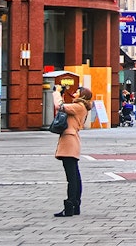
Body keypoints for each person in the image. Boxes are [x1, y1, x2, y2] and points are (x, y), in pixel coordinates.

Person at [52, 85, 92, 217]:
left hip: (69, 142)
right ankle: (75, 205)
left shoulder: (79, 106)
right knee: (75, 175)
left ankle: (70, 206)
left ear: (82, 95)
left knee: (72, 177)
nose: (74, 93)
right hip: (72, 141)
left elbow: (60, 106)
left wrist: (56, 93)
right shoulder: (80, 106)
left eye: (77, 92)